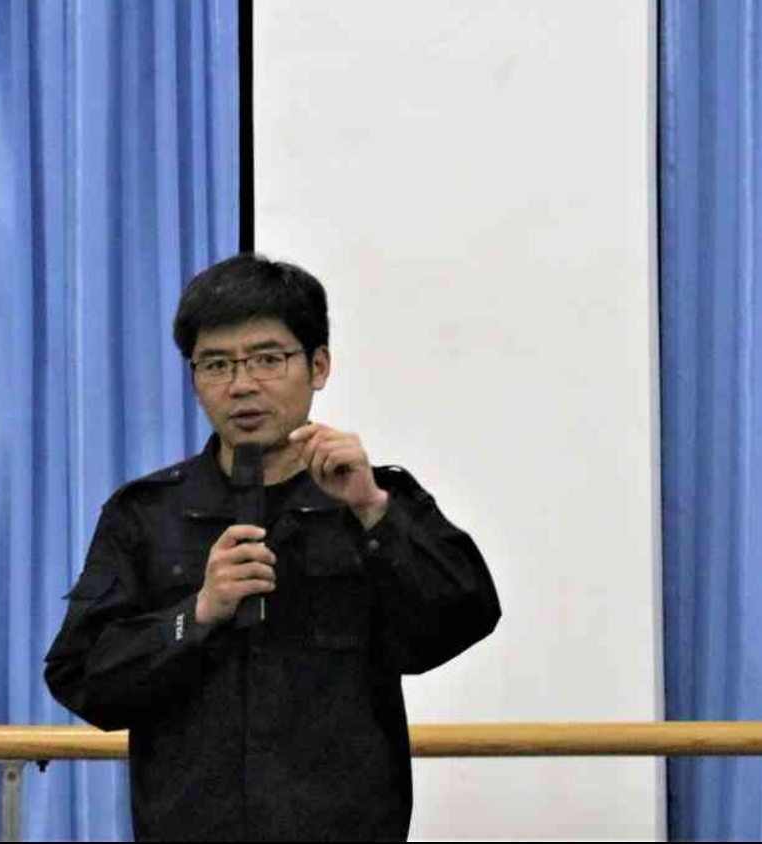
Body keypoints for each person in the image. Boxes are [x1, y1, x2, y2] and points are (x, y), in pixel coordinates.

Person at [44, 253, 501, 842]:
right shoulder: (146, 513)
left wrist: (373, 512)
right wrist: (197, 613)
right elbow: (82, 678)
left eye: (268, 359)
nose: (242, 385)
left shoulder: (375, 497)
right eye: (216, 365)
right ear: (195, 379)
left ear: (318, 366)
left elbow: (465, 617)